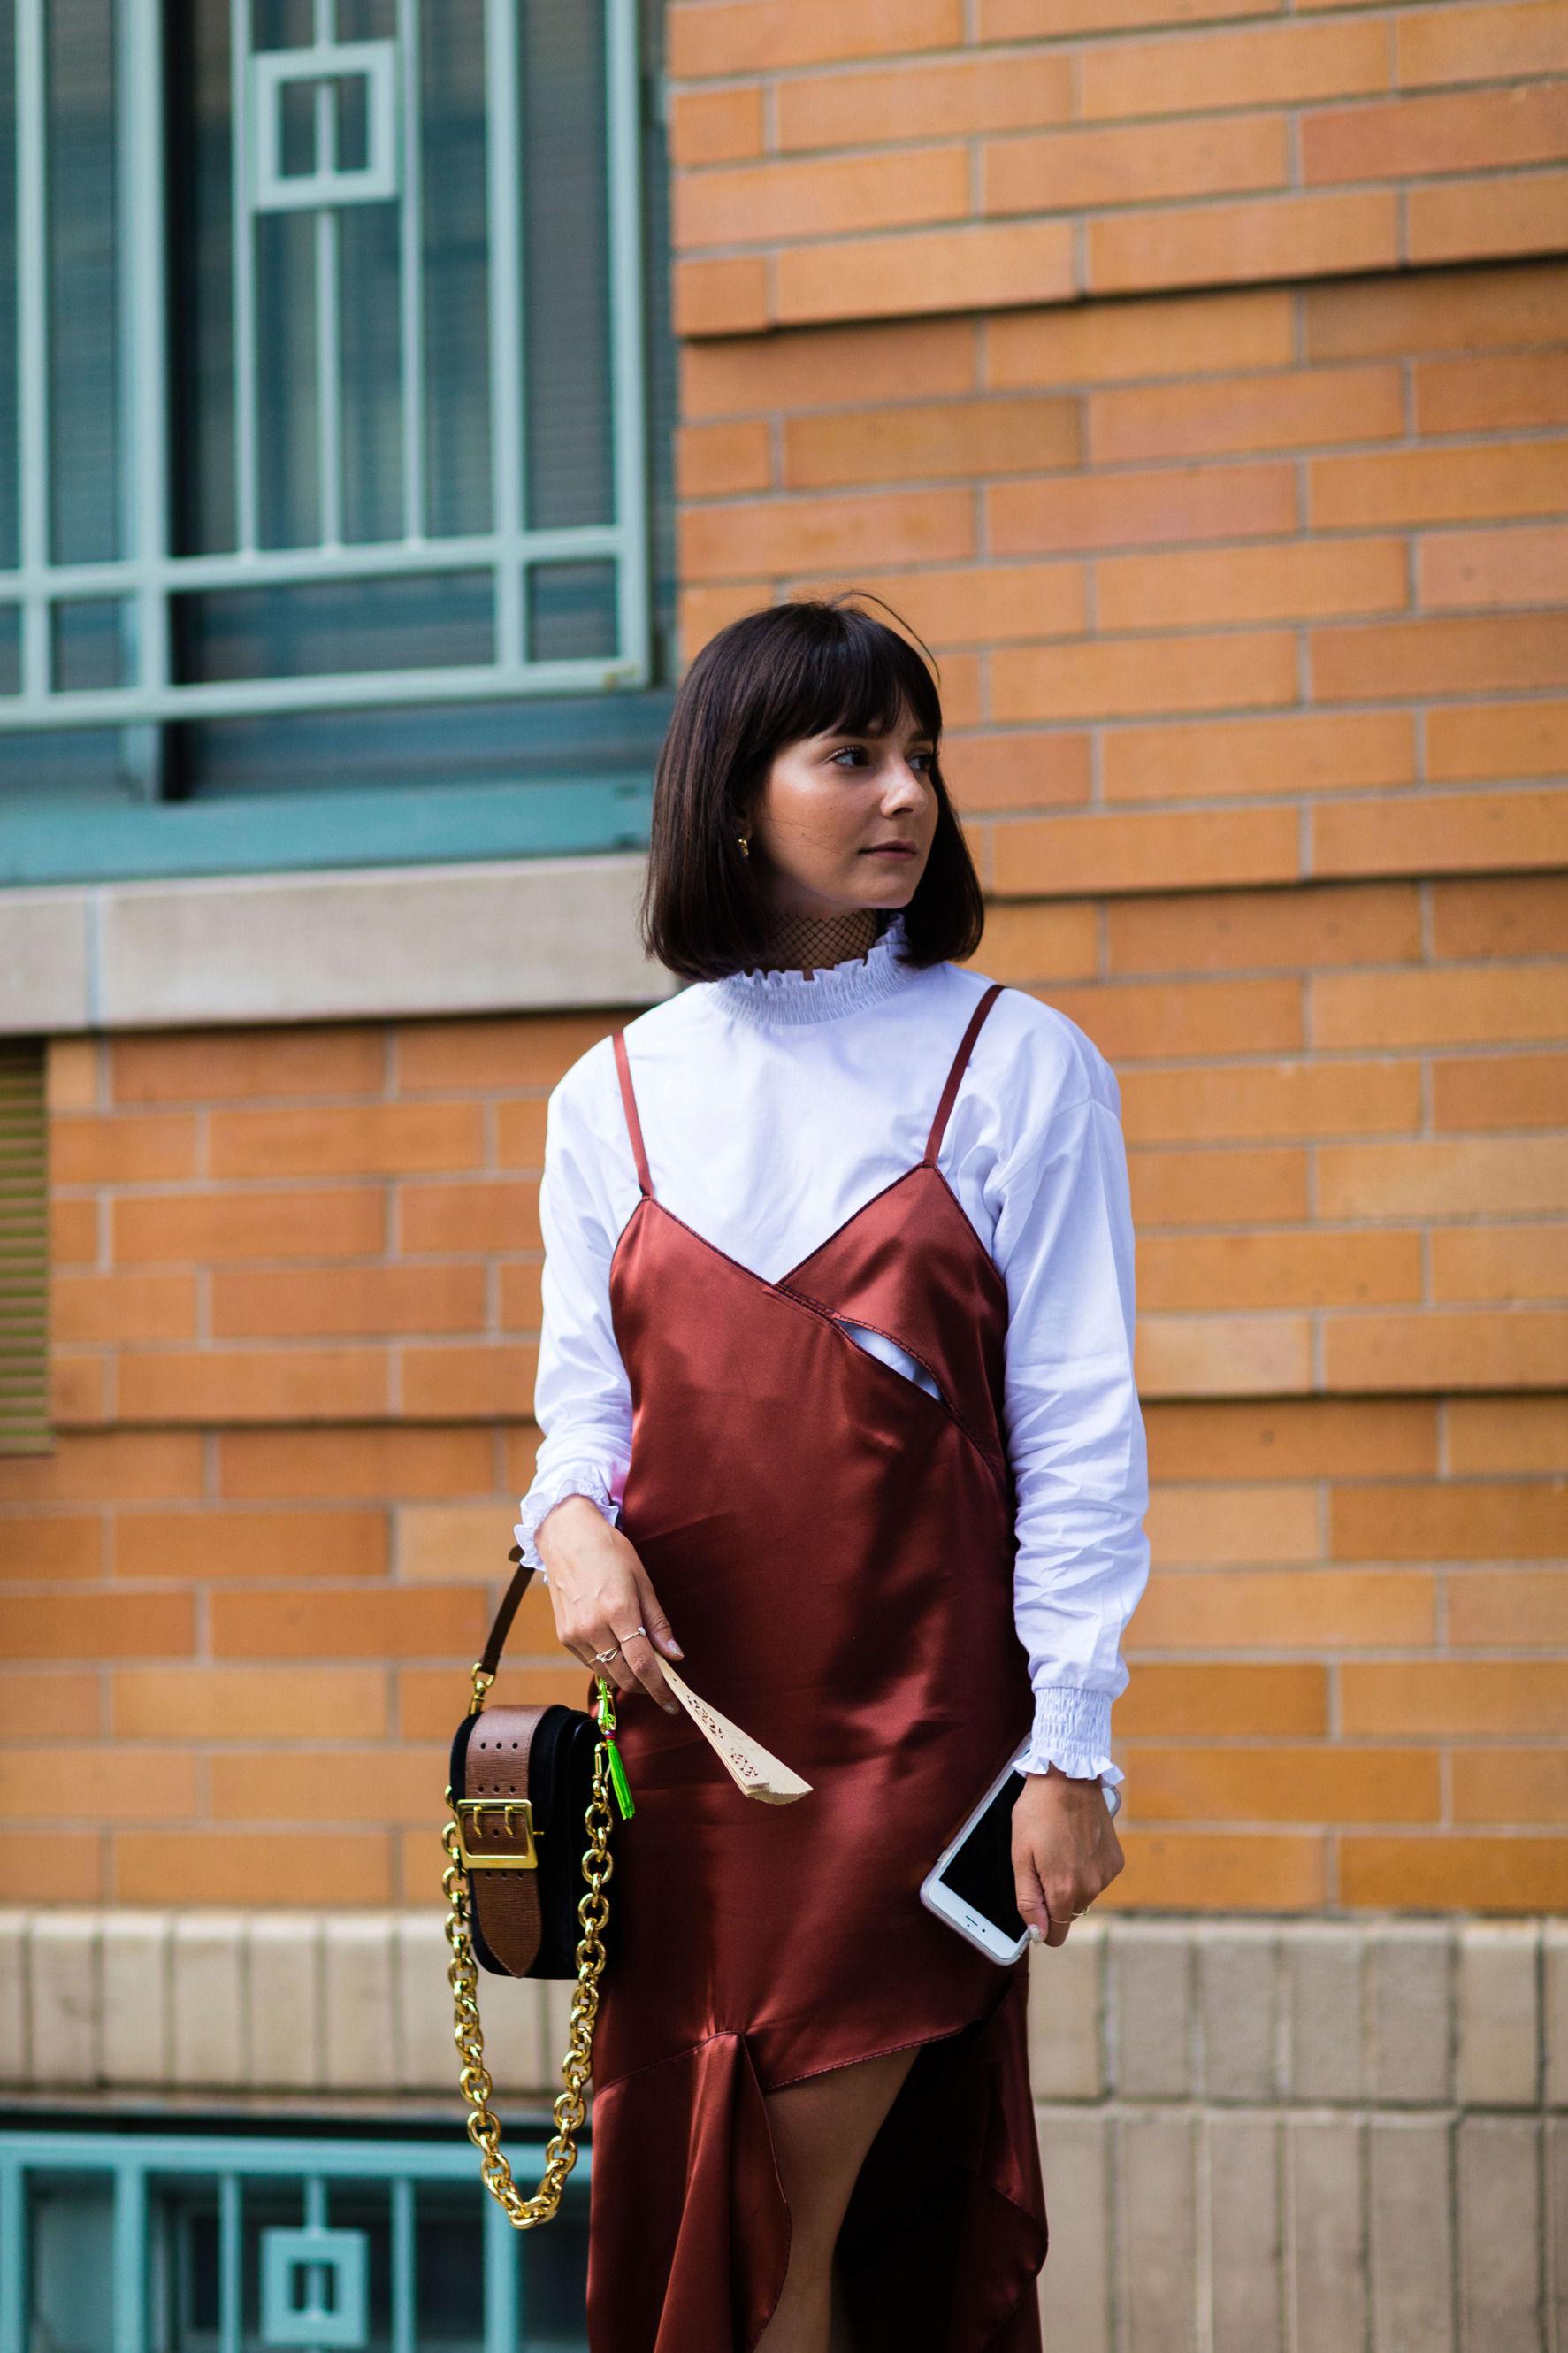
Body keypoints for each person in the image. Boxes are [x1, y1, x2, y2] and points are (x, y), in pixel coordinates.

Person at [517, 601, 1149, 2353]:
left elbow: (1078, 1430)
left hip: (908, 1754)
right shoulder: (612, 1097)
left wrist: (1069, 1745)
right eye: (850, 754)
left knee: (774, 2226)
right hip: (685, 1762)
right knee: (715, 2225)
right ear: (734, 795)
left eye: (918, 753)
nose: (904, 794)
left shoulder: (1015, 1062)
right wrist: (569, 1530)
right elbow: (582, 1424)